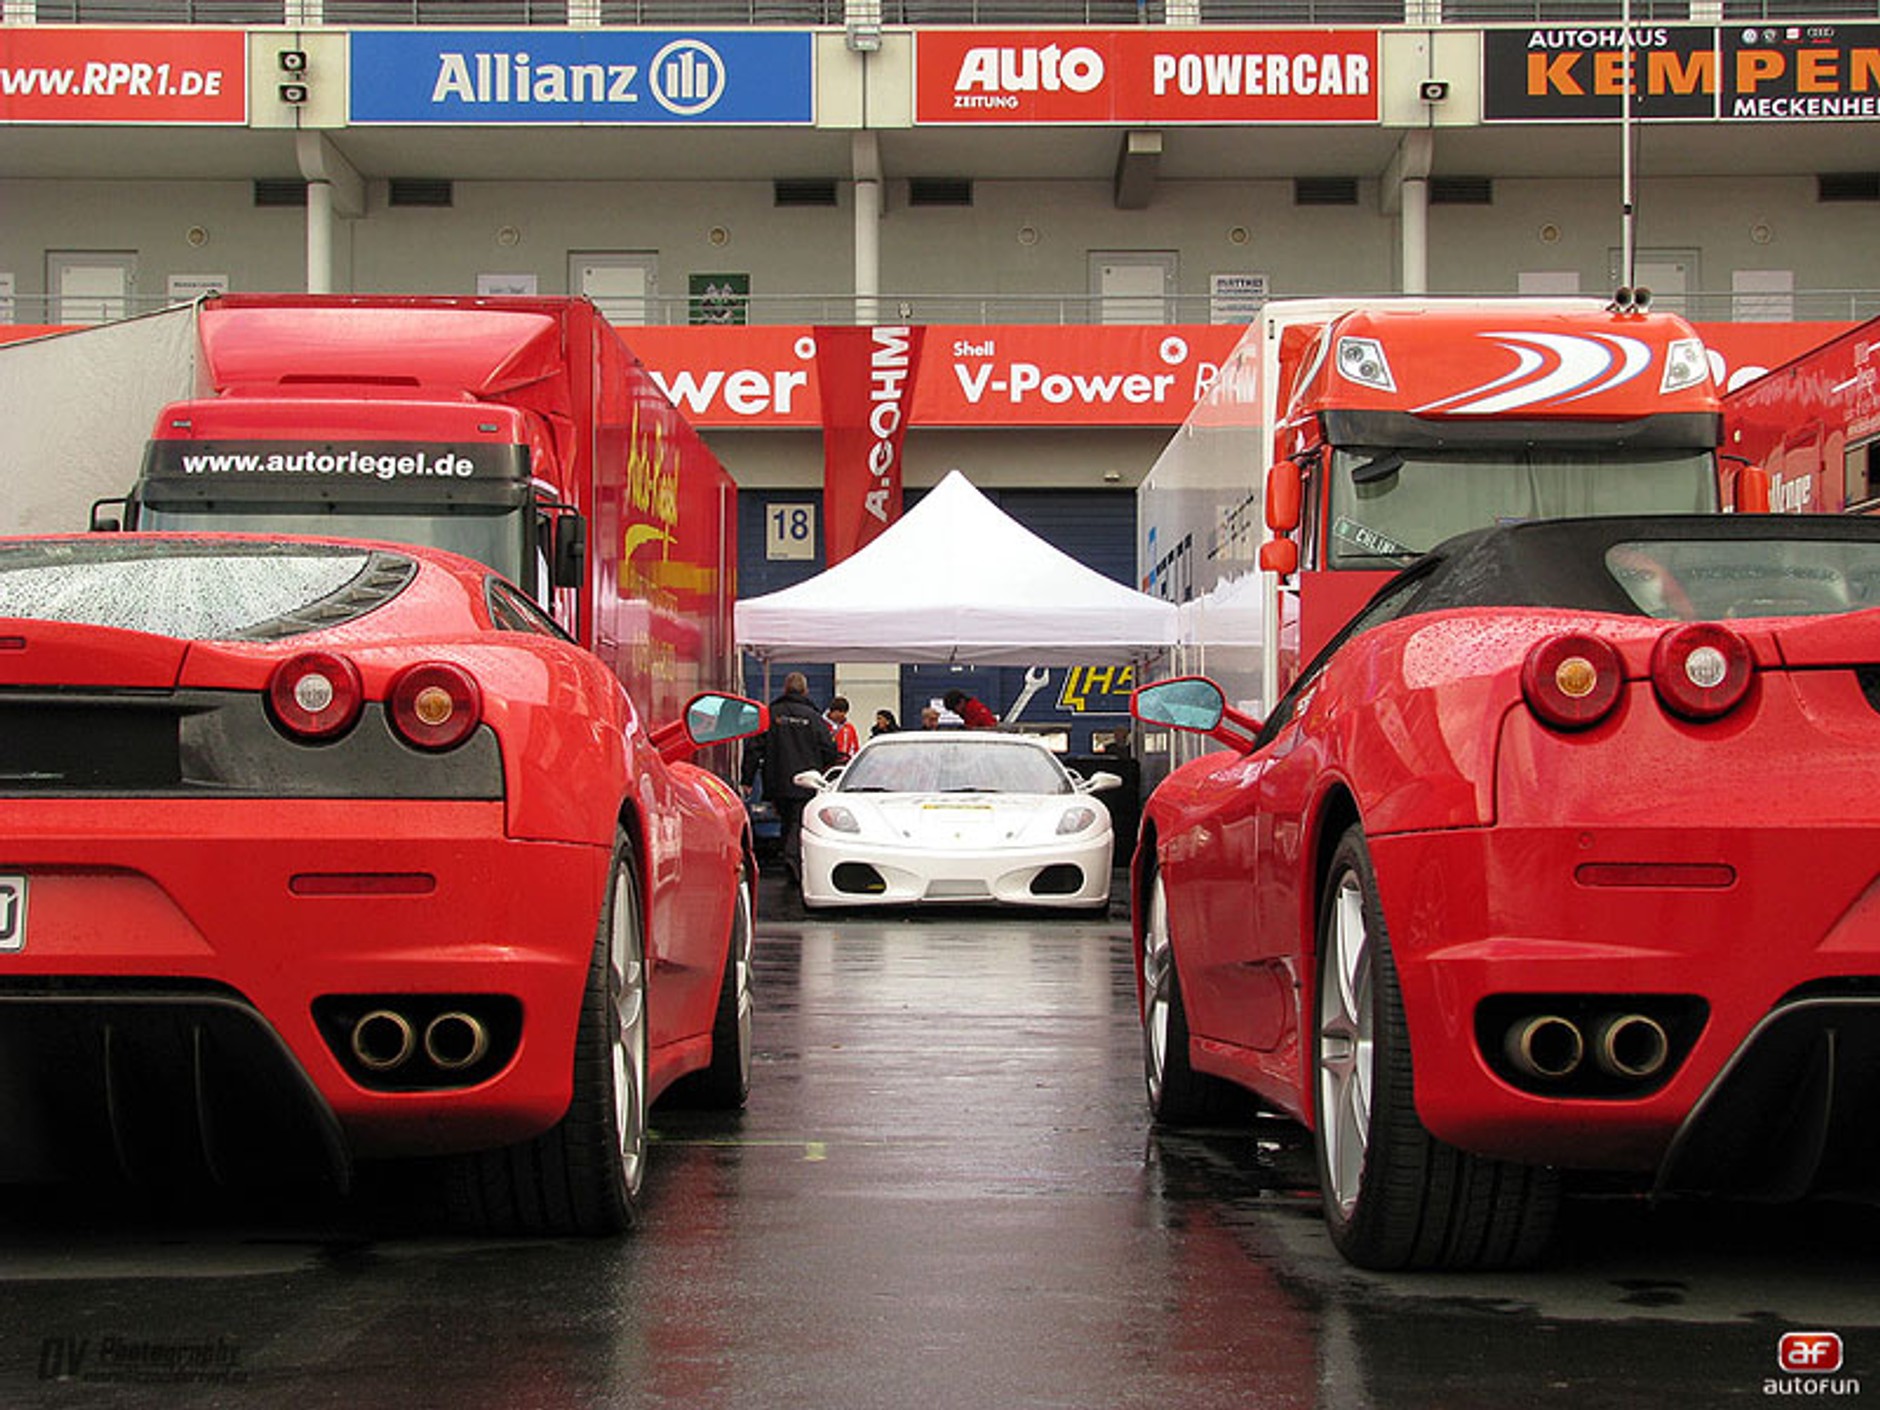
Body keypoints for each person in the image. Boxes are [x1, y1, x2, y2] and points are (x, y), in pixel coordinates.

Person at [742, 671, 839, 886]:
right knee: (798, 819)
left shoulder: (771, 714)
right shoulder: (814, 718)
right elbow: (830, 749)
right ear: (805, 691)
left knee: (788, 819)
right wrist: (821, 770)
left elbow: (753, 748)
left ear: (785, 689)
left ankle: (790, 856)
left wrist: (747, 779)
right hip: (807, 780)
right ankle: (793, 858)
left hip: (778, 780)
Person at [824, 695, 860, 760]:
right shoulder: (821, 725)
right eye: (840, 711)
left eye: (845, 712)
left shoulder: (849, 728)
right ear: (832, 711)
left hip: (845, 764)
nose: (842, 715)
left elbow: (855, 749)